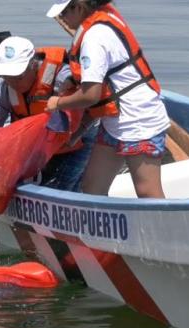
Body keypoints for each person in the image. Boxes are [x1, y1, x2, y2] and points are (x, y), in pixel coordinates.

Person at [44, 0, 169, 198]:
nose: (62, 19)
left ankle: (167, 229)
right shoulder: (100, 20)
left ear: (79, 7)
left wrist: (57, 103)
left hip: (138, 121)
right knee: (92, 187)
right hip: (113, 122)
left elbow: (91, 95)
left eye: (64, 13)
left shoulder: (94, 38)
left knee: (148, 192)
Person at [0, 35, 97, 192]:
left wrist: (79, 131)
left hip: (79, 141)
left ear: (33, 65)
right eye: (7, 77)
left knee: (58, 190)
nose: (13, 82)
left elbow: (95, 100)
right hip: (40, 147)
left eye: (18, 76)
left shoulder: (63, 78)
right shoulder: (2, 88)